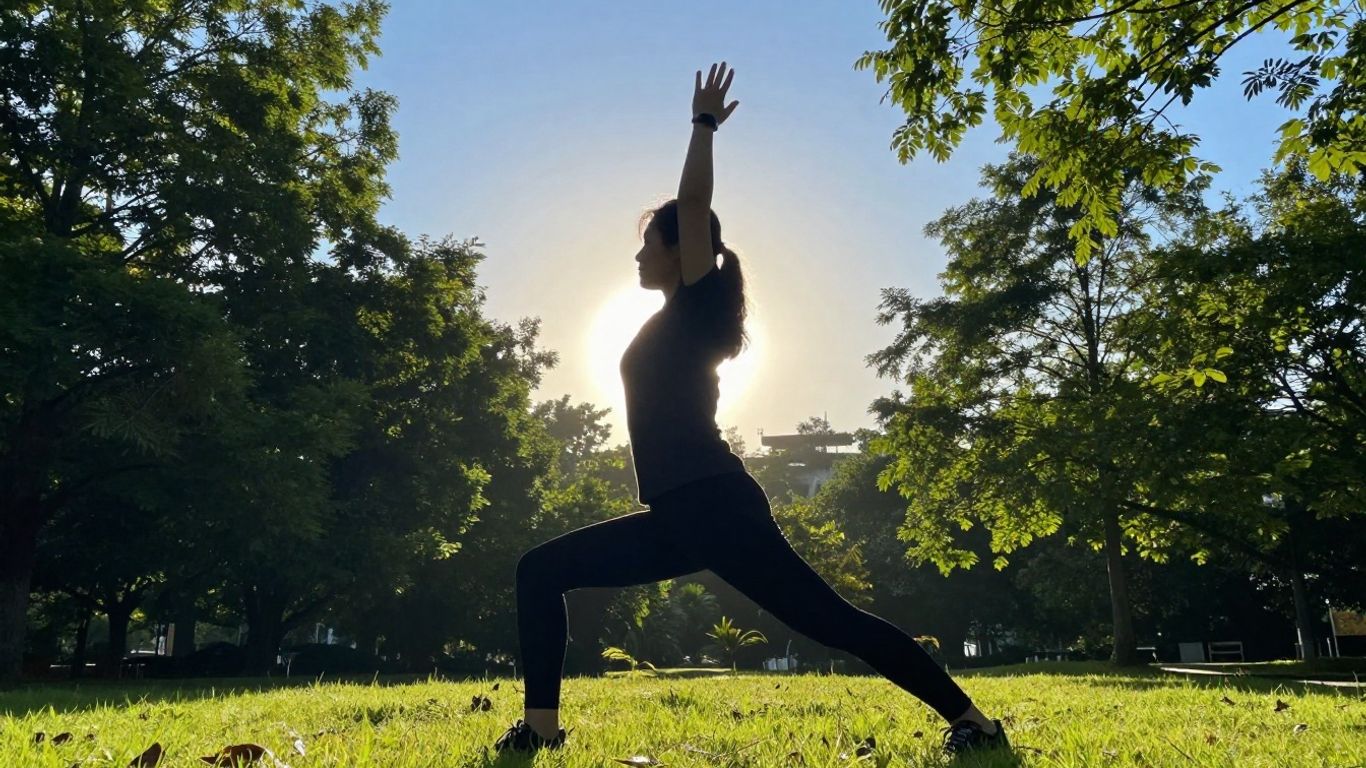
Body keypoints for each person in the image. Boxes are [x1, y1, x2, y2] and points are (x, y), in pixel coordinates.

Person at [494, 62, 1010, 759]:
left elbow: (695, 199)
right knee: (540, 571)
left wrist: (702, 127)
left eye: (650, 241)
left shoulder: (699, 306)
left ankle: (974, 722)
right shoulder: (672, 318)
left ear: (684, 251)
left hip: (713, 505)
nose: (638, 254)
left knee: (832, 623)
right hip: (679, 515)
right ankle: (542, 729)